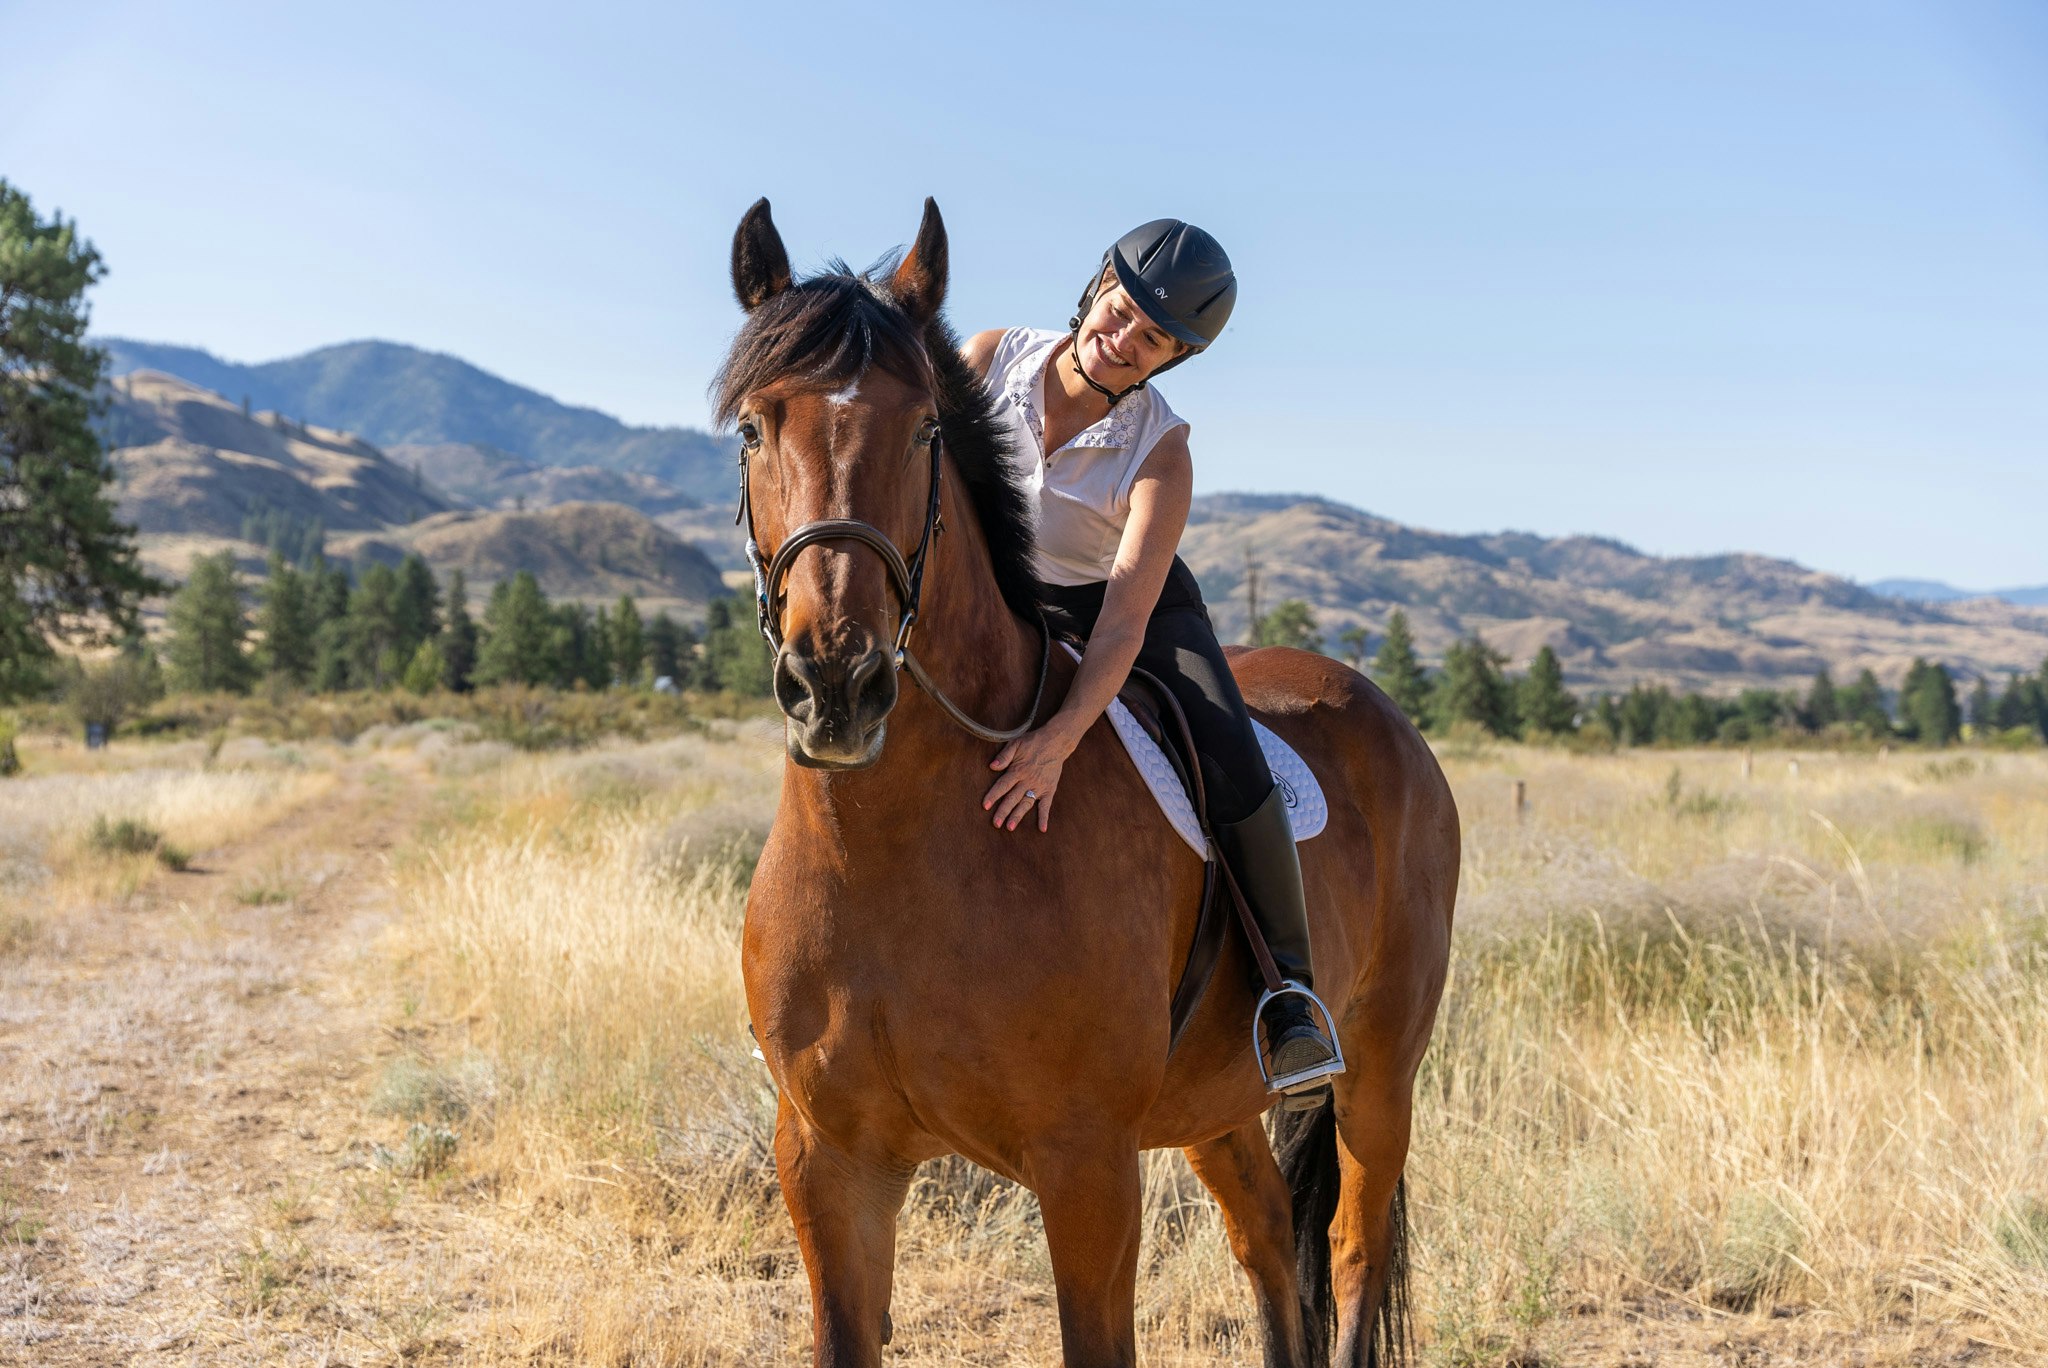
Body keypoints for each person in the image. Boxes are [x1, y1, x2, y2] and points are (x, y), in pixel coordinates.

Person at [962, 219, 1341, 1097]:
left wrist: (1058, 738)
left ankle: (1289, 996)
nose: (1123, 340)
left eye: (1153, 338)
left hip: (1125, 612)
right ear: (1098, 286)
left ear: (1173, 357)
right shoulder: (986, 359)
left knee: (1233, 763)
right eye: (1122, 311)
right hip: (995, 593)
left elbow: (1125, 620)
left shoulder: (1162, 451)